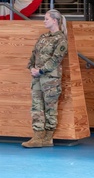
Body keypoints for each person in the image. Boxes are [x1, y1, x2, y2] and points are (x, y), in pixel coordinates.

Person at [23, 9, 69, 148]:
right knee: (36, 106)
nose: (44, 21)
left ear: (55, 20)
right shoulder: (43, 37)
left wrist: (41, 70)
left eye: (47, 19)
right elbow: (34, 54)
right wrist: (31, 67)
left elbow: (56, 59)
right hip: (37, 78)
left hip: (50, 79)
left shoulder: (61, 39)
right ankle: (37, 136)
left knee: (50, 108)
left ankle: (47, 138)